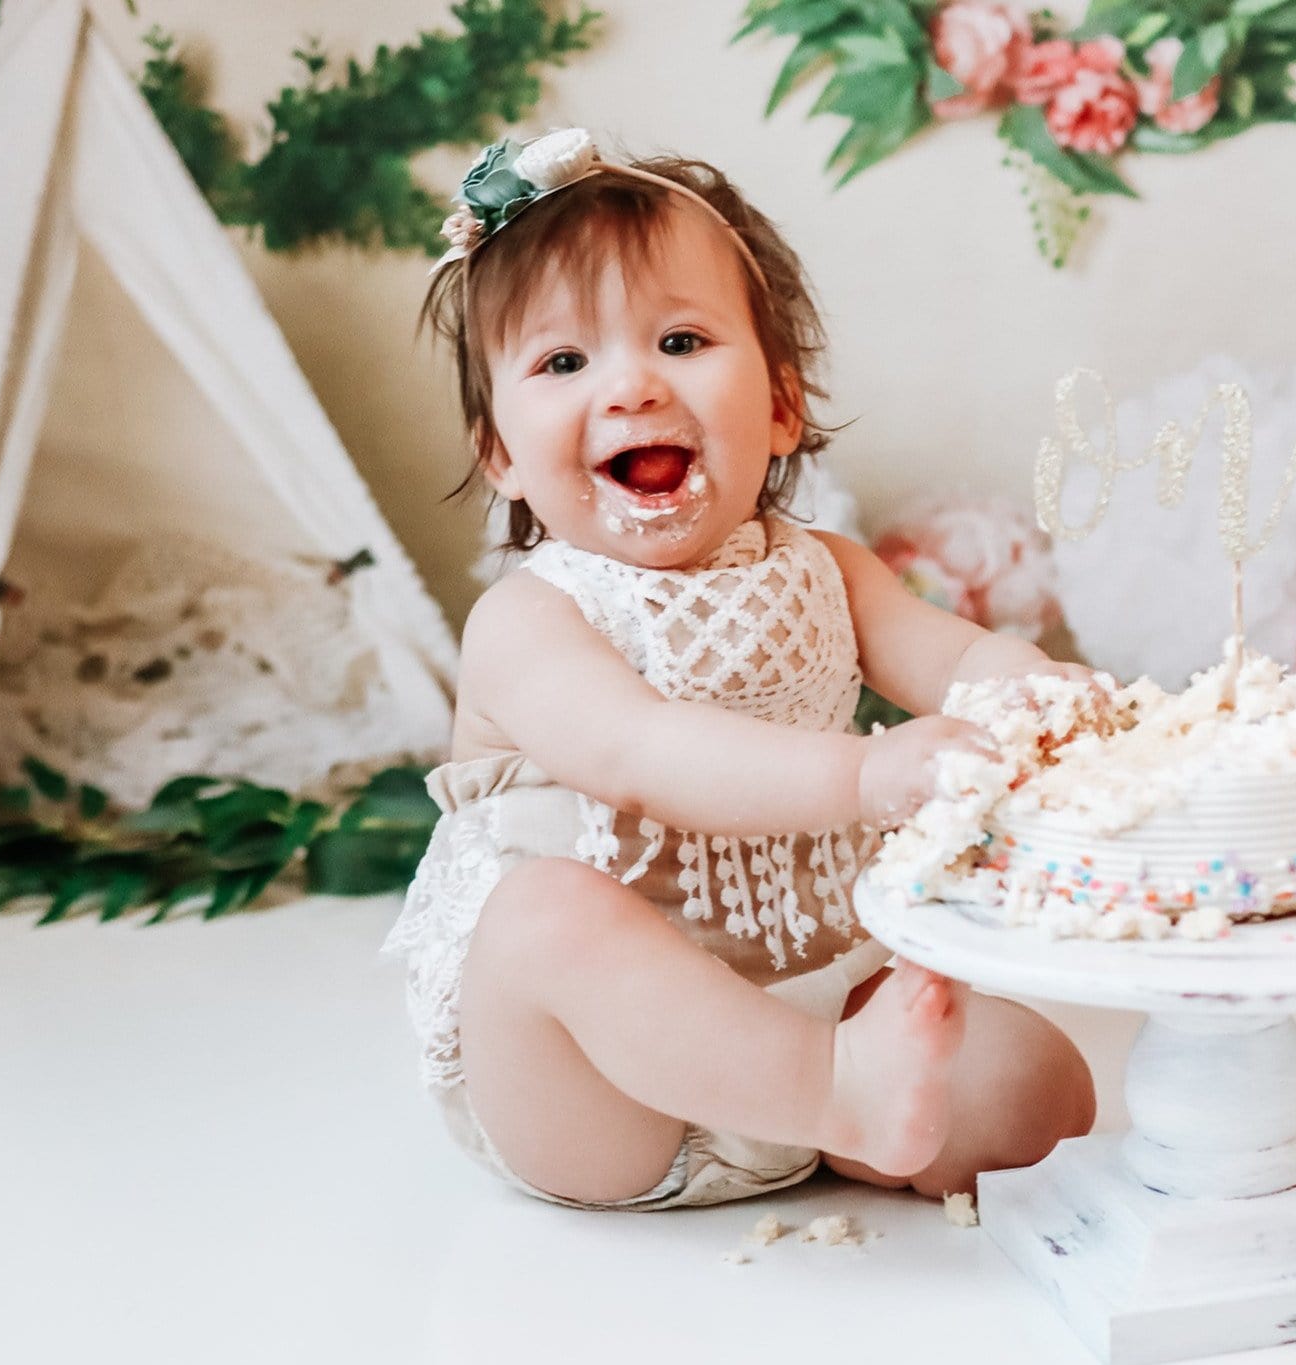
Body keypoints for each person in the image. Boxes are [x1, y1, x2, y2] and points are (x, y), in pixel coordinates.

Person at [383, 128, 1096, 1211]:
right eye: (564, 363)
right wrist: (868, 775)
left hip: (829, 993)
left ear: (778, 406)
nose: (630, 386)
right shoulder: (529, 621)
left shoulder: (828, 570)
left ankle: (850, 1096)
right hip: (606, 1095)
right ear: (501, 455)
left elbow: (951, 655)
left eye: (679, 340)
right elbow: (642, 751)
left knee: (1041, 1094)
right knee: (541, 917)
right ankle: (835, 1093)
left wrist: (1030, 690)